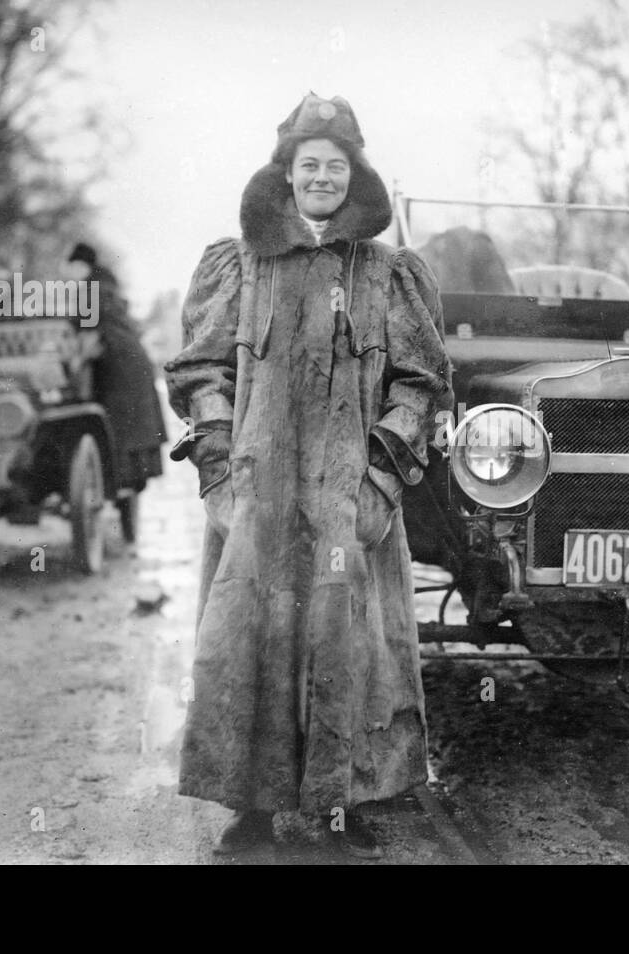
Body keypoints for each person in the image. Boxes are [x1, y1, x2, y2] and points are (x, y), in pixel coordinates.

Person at [164, 93, 454, 858]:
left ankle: (339, 807)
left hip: (347, 503)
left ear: (354, 177)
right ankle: (249, 813)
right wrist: (222, 475)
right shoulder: (241, 266)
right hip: (257, 501)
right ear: (285, 176)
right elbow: (200, 373)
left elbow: (422, 384)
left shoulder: (389, 274)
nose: (321, 177)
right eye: (308, 165)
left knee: (350, 646)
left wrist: (378, 484)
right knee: (247, 642)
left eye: (335, 166)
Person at [68, 243, 167, 490]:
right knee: (130, 421)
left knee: (119, 419)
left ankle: (118, 480)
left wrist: (75, 364)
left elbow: (88, 332)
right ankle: (130, 478)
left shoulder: (90, 289)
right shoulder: (105, 285)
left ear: (81, 265)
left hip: (117, 361)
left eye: (71, 267)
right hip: (131, 358)